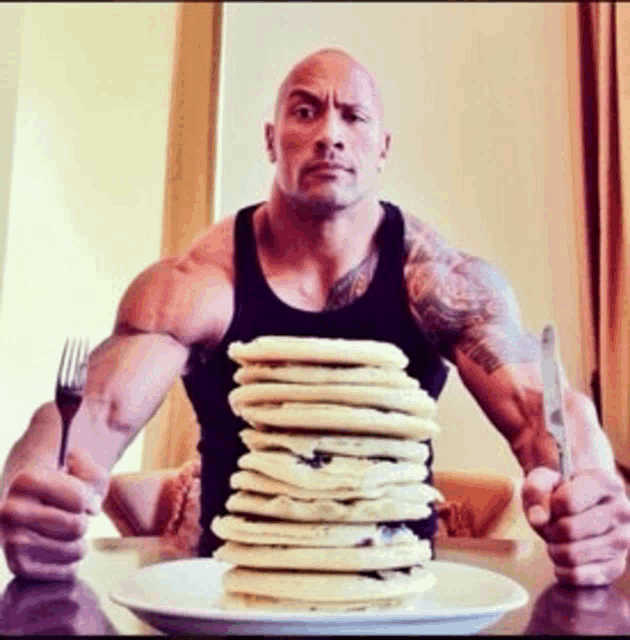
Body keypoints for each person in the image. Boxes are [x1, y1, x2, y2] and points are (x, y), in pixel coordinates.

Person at [1, 48, 629, 585]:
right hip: (235, 598)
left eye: (352, 115)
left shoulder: (441, 283)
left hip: (396, 602)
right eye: (306, 111)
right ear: (272, 139)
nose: (330, 132)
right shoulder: (199, 286)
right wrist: (29, 488)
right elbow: (83, 419)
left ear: (381, 146)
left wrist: (593, 493)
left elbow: (543, 414)